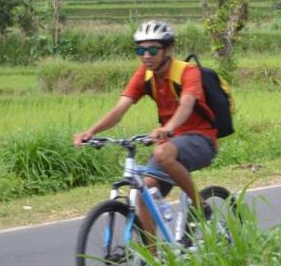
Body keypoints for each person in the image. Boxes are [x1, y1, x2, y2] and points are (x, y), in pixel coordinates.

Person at [73, 20, 218, 235]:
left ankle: (201, 206)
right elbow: (119, 110)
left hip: (200, 139)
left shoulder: (188, 72)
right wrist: (91, 131)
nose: (146, 56)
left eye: (152, 49)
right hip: (171, 142)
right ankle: (152, 262)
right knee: (144, 192)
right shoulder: (144, 75)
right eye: (140, 50)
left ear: (168, 50)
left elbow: (187, 104)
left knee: (162, 153)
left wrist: (168, 128)